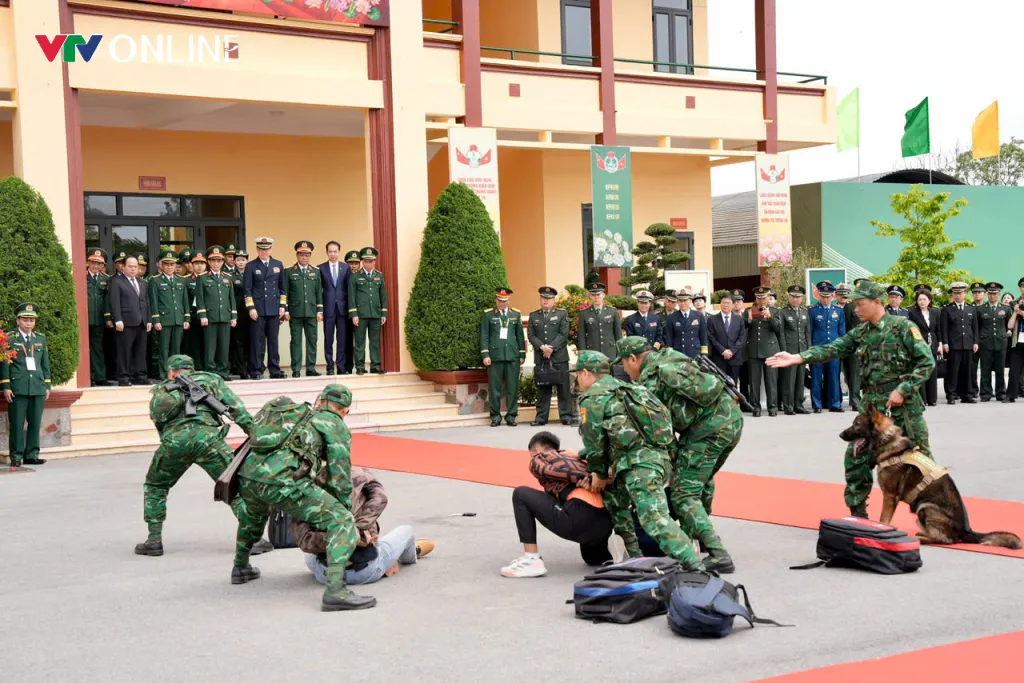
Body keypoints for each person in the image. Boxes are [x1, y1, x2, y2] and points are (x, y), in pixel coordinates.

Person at [767, 280, 934, 518]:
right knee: (855, 459)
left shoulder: (903, 327)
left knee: (921, 460)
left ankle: (936, 514)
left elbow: (926, 362)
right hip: (872, 408)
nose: (855, 309)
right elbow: (833, 348)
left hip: (904, 408)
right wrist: (798, 357)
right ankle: (858, 515)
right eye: (854, 305)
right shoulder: (861, 332)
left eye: (860, 304)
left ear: (877, 302)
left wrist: (903, 389)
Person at [233, 384, 376, 611]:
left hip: (248, 476)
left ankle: (240, 567)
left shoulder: (296, 417)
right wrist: (343, 509)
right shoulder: (333, 423)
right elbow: (339, 474)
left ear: (320, 400)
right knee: (341, 520)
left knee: (253, 517)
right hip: (283, 482)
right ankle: (336, 592)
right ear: (345, 410)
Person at [572, 351, 705, 571]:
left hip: (638, 466)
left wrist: (599, 474)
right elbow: (622, 434)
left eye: (577, 375)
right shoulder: (632, 389)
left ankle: (695, 567)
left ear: (586, 373)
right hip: (655, 459)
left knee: (655, 519)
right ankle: (637, 559)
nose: (577, 380)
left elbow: (596, 444)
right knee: (617, 502)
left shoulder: (593, 398)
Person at [616, 337, 738, 573]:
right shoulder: (669, 356)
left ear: (633, 358)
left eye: (623, 363)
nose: (624, 369)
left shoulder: (650, 380)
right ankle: (699, 537)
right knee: (699, 480)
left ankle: (718, 554)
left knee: (683, 494)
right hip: (731, 419)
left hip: (708, 431)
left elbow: (661, 433)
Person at [135, 354, 273, 557]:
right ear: (192, 369)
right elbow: (237, 410)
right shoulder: (211, 380)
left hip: (174, 442)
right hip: (209, 440)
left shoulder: (161, 390)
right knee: (234, 485)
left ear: (171, 372)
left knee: (156, 486)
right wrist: (257, 438)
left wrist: (171, 442)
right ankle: (252, 540)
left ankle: (154, 541)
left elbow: (159, 421)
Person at [501, 431, 615, 578]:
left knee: (521, 494)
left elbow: (558, 471)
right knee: (592, 559)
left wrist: (587, 478)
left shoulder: (542, 458)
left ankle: (531, 560)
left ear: (537, 450)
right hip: (603, 526)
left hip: (579, 518)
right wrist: (596, 478)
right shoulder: (579, 459)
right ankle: (607, 556)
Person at [297, 466, 435, 586]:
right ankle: (402, 557)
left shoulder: (300, 489)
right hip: (366, 570)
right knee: (406, 531)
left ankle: (389, 556)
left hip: (325, 573)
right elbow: (381, 498)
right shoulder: (358, 473)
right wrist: (358, 531)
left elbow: (304, 541)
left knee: (309, 557)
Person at [2, 303, 51, 468]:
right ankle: (16, 455)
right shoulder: (9, 339)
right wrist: (6, 386)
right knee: (16, 423)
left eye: (32, 320)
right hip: (18, 387)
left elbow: (45, 364)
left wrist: (47, 385)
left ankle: (32, 454)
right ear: (18, 321)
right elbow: (4, 364)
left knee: (35, 423)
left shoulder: (40, 338)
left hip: (37, 386)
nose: (29, 323)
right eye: (25, 319)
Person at [528, 286, 573, 426]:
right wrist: (542, 347)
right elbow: (531, 335)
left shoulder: (561, 314)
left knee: (563, 388)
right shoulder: (533, 315)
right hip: (542, 357)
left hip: (559, 357)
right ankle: (541, 418)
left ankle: (566, 416)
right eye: (543, 298)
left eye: (548, 298)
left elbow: (563, 334)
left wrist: (551, 347)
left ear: (553, 300)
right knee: (543, 389)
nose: (545, 301)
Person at [481, 286, 526, 427]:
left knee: (513, 387)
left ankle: (511, 416)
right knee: (495, 387)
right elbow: (484, 335)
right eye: (499, 300)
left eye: (504, 301)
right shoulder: (488, 315)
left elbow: (519, 335)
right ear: (496, 300)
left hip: (512, 356)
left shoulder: (516, 314)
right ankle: (495, 416)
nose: (501, 303)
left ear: (508, 300)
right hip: (495, 356)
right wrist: (485, 354)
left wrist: (522, 354)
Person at [243, 237, 286, 380]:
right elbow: (247, 289)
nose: (264, 252)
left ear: (271, 249)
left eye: (267, 249)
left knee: (273, 341)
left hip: (274, 309)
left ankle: (275, 369)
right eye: (261, 249)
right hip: (258, 310)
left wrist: (282, 306)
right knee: (257, 341)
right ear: (257, 250)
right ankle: (255, 369)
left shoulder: (278, 264)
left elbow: (282, 288)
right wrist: (251, 308)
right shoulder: (251, 266)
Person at [109, 256, 152, 387]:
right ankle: (123, 377)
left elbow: (146, 302)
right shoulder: (117, 282)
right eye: (130, 266)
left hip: (141, 322)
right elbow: (114, 302)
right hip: (126, 322)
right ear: (124, 267)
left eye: (135, 266)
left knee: (141, 351)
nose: (134, 269)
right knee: (124, 351)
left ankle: (141, 376)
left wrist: (149, 319)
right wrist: (118, 320)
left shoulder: (142, 282)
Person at [196, 246, 237, 380]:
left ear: (223, 262)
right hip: (210, 317)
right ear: (209, 262)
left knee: (224, 346)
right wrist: (202, 315)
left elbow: (231, 298)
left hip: (225, 316)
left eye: (219, 261)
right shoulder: (202, 278)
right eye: (213, 260)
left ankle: (223, 371)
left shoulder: (228, 277)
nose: (216, 263)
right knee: (210, 347)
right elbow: (200, 299)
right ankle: (210, 372)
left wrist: (234, 316)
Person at [284, 240, 324, 378]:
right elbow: (286, 292)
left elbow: (318, 292)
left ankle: (311, 368)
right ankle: (296, 368)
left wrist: (320, 311)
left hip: (312, 312)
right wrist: (286, 310)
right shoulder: (289, 271)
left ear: (310, 256)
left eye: (307, 255)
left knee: (312, 340)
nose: (304, 258)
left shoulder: (316, 272)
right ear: (297, 255)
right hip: (295, 312)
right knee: (296, 341)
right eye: (301, 255)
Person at [149, 249, 190, 379]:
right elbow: (153, 301)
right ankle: (164, 374)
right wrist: (156, 320)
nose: (169, 267)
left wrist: (186, 318)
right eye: (166, 264)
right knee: (164, 349)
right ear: (161, 265)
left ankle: (176, 375)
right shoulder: (155, 280)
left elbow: (185, 301)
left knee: (176, 349)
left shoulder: (181, 280)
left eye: (172, 264)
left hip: (178, 318)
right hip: (164, 319)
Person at [349, 246, 388, 375]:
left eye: (370, 261)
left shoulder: (379, 276)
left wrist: (384, 313)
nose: (368, 264)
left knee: (375, 341)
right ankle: (360, 366)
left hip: (375, 314)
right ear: (362, 262)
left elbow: (383, 295)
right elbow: (352, 296)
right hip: (360, 314)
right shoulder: (355, 276)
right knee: (359, 342)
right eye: (365, 261)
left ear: (374, 262)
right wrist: (354, 314)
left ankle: (375, 365)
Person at [744, 286, 782, 417]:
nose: (761, 300)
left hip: (770, 349)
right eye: (759, 298)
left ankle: (772, 407)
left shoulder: (775, 311)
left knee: (771, 380)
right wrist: (748, 320)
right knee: (754, 382)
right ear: (756, 298)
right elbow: (742, 329)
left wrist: (770, 317)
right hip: (754, 349)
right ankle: (756, 407)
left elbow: (779, 329)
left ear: (768, 297)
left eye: (764, 297)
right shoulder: (749, 310)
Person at [808, 281, 845, 414]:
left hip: (833, 350)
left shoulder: (838, 311)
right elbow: (810, 331)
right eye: (823, 296)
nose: (826, 299)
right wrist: (809, 350)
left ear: (833, 296)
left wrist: (841, 348)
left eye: (828, 296)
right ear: (819, 296)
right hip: (817, 350)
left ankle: (834, 404)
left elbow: (842, 332)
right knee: (816, 378)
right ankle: (817, 405)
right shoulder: (812, 311)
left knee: (834, 377)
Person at [939, 281, 979, 404]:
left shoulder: (971, 309)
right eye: (955, 293)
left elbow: (975, 327)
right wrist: (945, 343)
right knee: (953, 371)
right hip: (953, 345)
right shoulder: (947, 309)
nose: (957, 295)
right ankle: (951, 394)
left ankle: (967, 394)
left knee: (967, 371)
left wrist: (976, 342)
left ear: (965, 294)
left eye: (960, 293)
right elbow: (944, 328)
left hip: (968, 344)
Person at [778, 285, 811, 415]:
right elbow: (781, 333)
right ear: (789, 297)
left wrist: (809, 350)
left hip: (802, 350)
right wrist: (784, 350)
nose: (795, 299)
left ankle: (799, 404)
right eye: (793, 296)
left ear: (802, 298)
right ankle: (788, 406)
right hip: (789, 350)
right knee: (789, 379)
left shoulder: (804, 312)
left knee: (800, 378)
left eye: (798, 297)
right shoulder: (783, 312)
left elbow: (807, 332)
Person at [319, 241, 350, 375]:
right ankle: (330, 366)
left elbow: (349, 289)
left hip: (342, 309)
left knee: (342, 339)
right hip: (328, 308)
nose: (333, 254)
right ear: (327, 252)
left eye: (335, 251)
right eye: (330, 251)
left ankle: (341, 366)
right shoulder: (320, 268)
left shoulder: (346, 267)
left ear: (339, 251)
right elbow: (318, 290)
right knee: (328, 339)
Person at [976, 282, 1009, 402]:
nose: (992, 296)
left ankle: (1001, 393)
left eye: (994, 294)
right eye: (990, 293)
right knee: (985, 369)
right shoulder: (980, 309)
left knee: (1000, 369)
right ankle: (985, 393)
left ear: (999, 294)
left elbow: (1008, 325)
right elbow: (977, 327)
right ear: (987, 294)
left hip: (1001, 342)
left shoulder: (1005, 308)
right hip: (985, 343)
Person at [908, 287, 941, 407]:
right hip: (918, 344)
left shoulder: (936, 312)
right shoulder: (912, 313)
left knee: (932, 370)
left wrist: (940, 344)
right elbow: (911, 329)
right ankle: (922, 399)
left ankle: (932, 399)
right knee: (921, 371)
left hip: (933, 343)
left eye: (924, 299)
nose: (922, 302)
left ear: (929, 300)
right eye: (920, 299)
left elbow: (938, 330)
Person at [577, 282, 623, 368]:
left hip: (610, 353)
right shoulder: (584, 313)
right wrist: (583, 355)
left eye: (598, 294)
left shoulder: (612, 311)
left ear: (603, 295)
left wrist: (619, 353)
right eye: (593, 295)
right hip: (593, 353)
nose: (596, 297)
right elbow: (581, 336)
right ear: (590, 296)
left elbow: (618, 334)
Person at [86, 248, 112, 387]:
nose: (95, 266)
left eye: (99, 263)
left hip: (99, 320)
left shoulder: (106, 279)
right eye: (93, 263)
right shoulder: (81, 276)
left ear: (103, 265)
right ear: (88, 262)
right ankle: (87, 377)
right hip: (84, 320)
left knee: (98, 348)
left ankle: (100, 377)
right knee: (84, 348)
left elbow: (108, 301)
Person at [707, 294, 746, 385]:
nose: (725, 305)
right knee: (719, 385)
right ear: (720, 304)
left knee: (733, 385)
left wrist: (732, 351)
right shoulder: (712, 319)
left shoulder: (739, 319)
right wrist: (723, 351)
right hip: (718, 358)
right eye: (723, 303)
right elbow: (711, 337)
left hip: (734, 358)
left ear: (733, 305)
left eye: (728, 303)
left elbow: (741, 337)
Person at [839, 281, 862, 410]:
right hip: (854, 345)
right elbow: (846, 327)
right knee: (853, 374)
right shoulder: (850, 307)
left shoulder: (869, 305)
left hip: (867, 344)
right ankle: (855, 400)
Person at [665, 291, 708, 360]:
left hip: (695, 352)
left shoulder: (698, 315)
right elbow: (669, 337)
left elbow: (703, 335)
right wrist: (670, 353)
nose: (682, 303)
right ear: (677, 302)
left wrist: (704, 353)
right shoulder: (672, 317)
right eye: (680, 300)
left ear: (690, 301)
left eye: (685, 300)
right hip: (678, 352)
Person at [229, 250, 250, 379]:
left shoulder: (250, 273)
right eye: (238, 260)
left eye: (243, 260)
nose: (241, 262)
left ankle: (250, 367)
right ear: (234, 261)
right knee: (239, 343)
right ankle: (241, 369)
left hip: (251, 313)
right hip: (238, 313)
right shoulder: (230, 276)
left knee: (251, 342)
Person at [185, 251, 207, 371]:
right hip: (193, 316)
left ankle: (207, 367)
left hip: (208, 316)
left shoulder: (211, 279)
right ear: (191, 265)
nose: (199, 266)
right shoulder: (186, 280)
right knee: (194, 344)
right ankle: (197, 367)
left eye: (202, 263)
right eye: (196, 263)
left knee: (208, 344)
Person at [342, 250, 362, 375]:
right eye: (350, 263)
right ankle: (348, 366)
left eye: (356, 263)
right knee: (347, 340)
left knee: (360, 340)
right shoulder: (344, 275)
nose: (353, 266)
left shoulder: (362, 275)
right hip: (346, 313)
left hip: (360, 313)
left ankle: (360, 365)